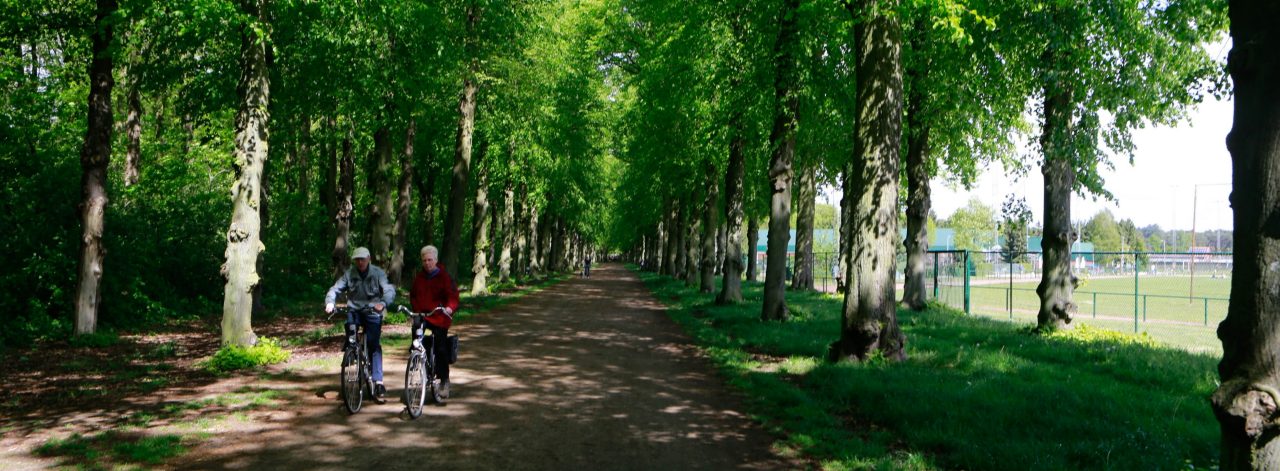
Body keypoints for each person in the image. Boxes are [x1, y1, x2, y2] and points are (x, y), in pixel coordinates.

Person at [325, 247, 396, 402]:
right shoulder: (349, 274)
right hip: (355, 311)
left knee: (374, 345)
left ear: (369, 258)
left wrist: (383, 303)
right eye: (357, 259)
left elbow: (389, 290)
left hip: (373, 312)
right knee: (351, 337)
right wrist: (330, 302)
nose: (360, 262)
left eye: (362, 259)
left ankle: (378, 381)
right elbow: (335, 289)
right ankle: (353, 351)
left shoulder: (378, 273)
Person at [409, 245, 460, 400]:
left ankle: (444, 380)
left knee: (440, 346)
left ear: (436, 260)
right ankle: (418, 359)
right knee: (416, 334)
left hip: (439, 315)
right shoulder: (419, 278)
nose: (427, 263)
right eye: (424, 260)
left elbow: (453, 296)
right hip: (423, 315)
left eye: (430, 260)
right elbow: (413, 296)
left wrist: (450, 309)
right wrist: (415, 311)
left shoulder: (444, 276)